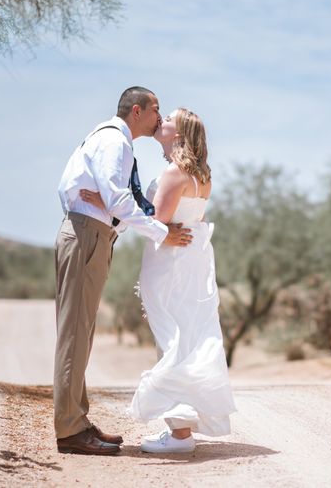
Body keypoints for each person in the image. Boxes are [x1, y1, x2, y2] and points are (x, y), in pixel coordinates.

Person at [81, 108, 236, 454]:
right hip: (191, 264)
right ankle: (182, 428)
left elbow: (158, 222)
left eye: (168, 119)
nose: (160, 121)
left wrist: (109, 205)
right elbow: (190, 219)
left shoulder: (173, 172)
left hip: (168, 265)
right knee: (186, 335)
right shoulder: (202, 176)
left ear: (178, 134)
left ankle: (180, 434)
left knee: (171, 338)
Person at [54, 87, 193, 456]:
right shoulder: (116, 142)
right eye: (156, 110)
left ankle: (77, 421)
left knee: (81, 330)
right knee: (75, 332)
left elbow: (107, 199)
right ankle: (69, 429)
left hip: (92, 233)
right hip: (87, 234)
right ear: (137, 111)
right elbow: (117, 199)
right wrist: (161, 233)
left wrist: (111, 209)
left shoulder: (110, 139)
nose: (159, 118)